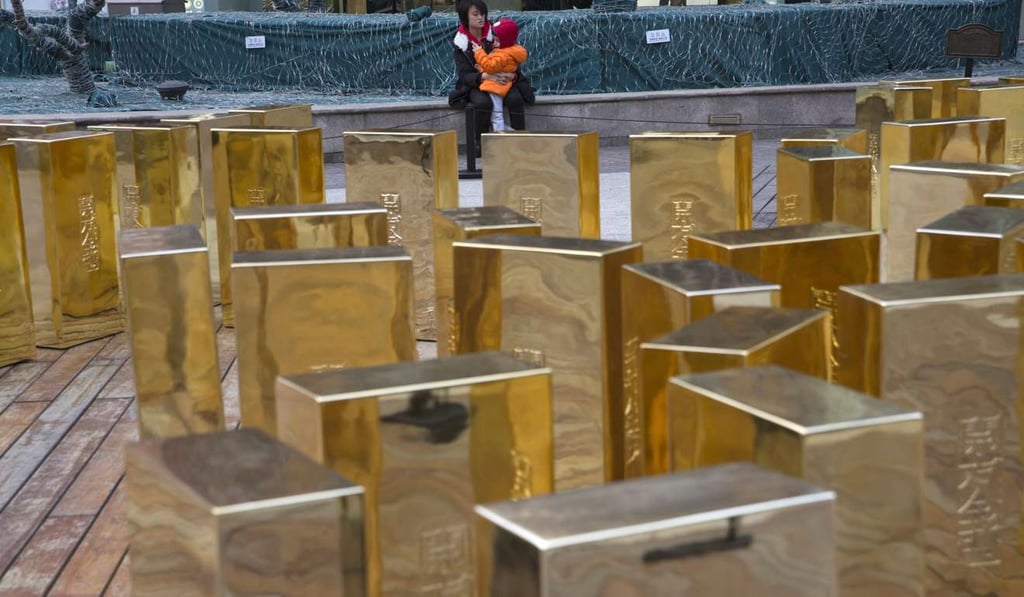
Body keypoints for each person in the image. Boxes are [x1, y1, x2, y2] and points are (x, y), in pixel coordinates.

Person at [448, 0, 534, 149]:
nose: (480, 17)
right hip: (477, 83)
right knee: (483, 103)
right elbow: (464, 75)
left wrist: (512, 76)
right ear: (465, 17)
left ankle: (520, 142)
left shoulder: (497, 33)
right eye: (475, 14)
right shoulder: (461, 42)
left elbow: (512, 57)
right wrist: (484, 76)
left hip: (504, 79)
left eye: (482, 14)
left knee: (515, 98)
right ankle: (481, 145)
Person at [472, 18, 527, 132]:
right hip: (502, 84)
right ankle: (508, 132)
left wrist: (479, 52)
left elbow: (491, 66)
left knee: (496, 115)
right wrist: (481, 69)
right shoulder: (512, 50)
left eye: (497, 41)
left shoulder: (502, 54)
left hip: (495, 86)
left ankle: (501, 134)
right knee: (496, 114)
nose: (494, 43)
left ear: (506, 41)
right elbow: (499, 66)